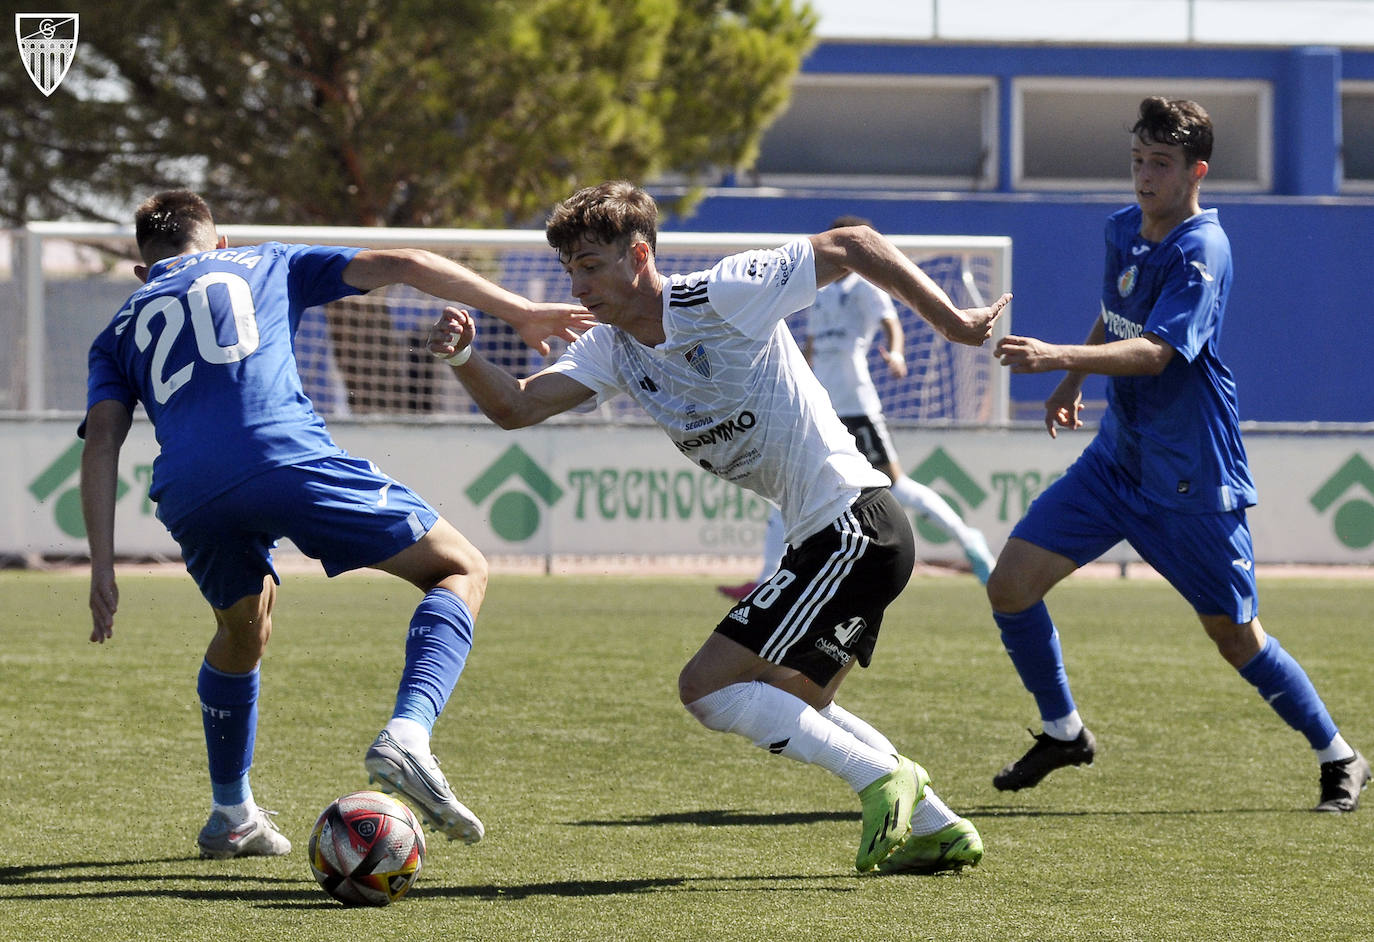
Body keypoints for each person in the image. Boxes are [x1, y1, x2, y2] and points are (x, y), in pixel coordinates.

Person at [427, 180, 1011, 873]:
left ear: (638, 254)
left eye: (589, 265)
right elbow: (518, 407)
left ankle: (886, 779)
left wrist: (947, 322)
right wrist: (464, 357)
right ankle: (941, 829)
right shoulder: (612, 349)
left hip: (852, 527)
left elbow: (852, 245)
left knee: (706, 687)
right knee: (793, 702)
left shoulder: (724, 293)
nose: (577, 285)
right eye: (569, 269)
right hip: (841, 538)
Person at [79, 190, 593, 859]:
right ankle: (408, 733)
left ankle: (232, 814)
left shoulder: (117, 329)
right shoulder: (265, 262)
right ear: (221, 243)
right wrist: (522, 310)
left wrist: (101, 567)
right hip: (282, 455)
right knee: (460, 567)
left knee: (242, 630)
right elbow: (405, 261)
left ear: (144, 272)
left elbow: (101, 444)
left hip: (189, 490)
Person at [987, 97, 1369, 812]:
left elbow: (1159, 352)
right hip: (1115, 464)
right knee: (1009, 585)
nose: (1143, 177)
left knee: (1235, 637)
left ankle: (1339, 754)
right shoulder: (1121, 229)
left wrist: (1058, 356)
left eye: (1159, 164)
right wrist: (1073, 379)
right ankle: (1064, 731)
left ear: (1197, 171)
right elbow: (1117, 310)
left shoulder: (1203, 249)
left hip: (1190, 477)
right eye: (1136, 160)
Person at [719, 215, 996, 600]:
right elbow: (811, 348)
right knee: (789, 482)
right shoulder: (821, 291)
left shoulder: (868, 288)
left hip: (857, 401)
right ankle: (766, 579)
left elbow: (892, 327)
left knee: (896, 485)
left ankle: (970, 541)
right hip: (822, 403)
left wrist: (897, 355)